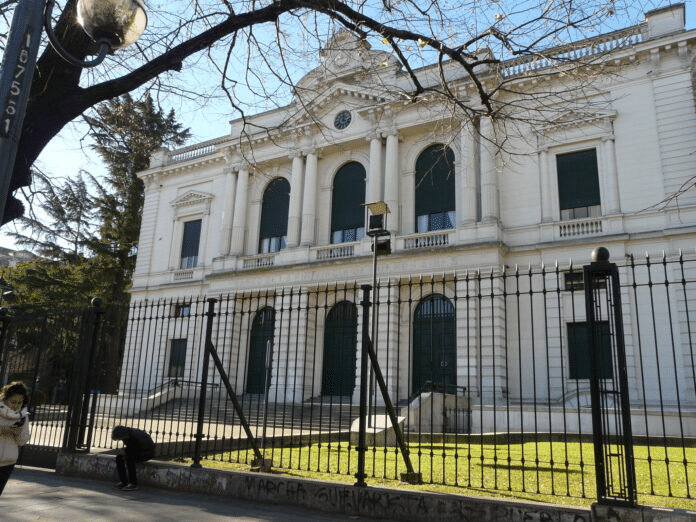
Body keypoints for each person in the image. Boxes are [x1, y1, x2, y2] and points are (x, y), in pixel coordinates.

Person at [0, 381, 31, 495]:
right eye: (13, 401)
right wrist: (2, 430)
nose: (16, 405)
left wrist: (18, 432)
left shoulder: (23, 417)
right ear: (5, 399)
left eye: (20, 402)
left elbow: (21, 442)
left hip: (8, 462)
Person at [111, 425, 154, 491]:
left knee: (130, 459)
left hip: (146, 452)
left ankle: (133, 483)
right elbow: (129, 448)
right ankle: (123, 481)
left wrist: (127, 454)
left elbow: (139, 448)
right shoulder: (127, 435)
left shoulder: (135, 435)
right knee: (119, 458)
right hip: (137, 451)